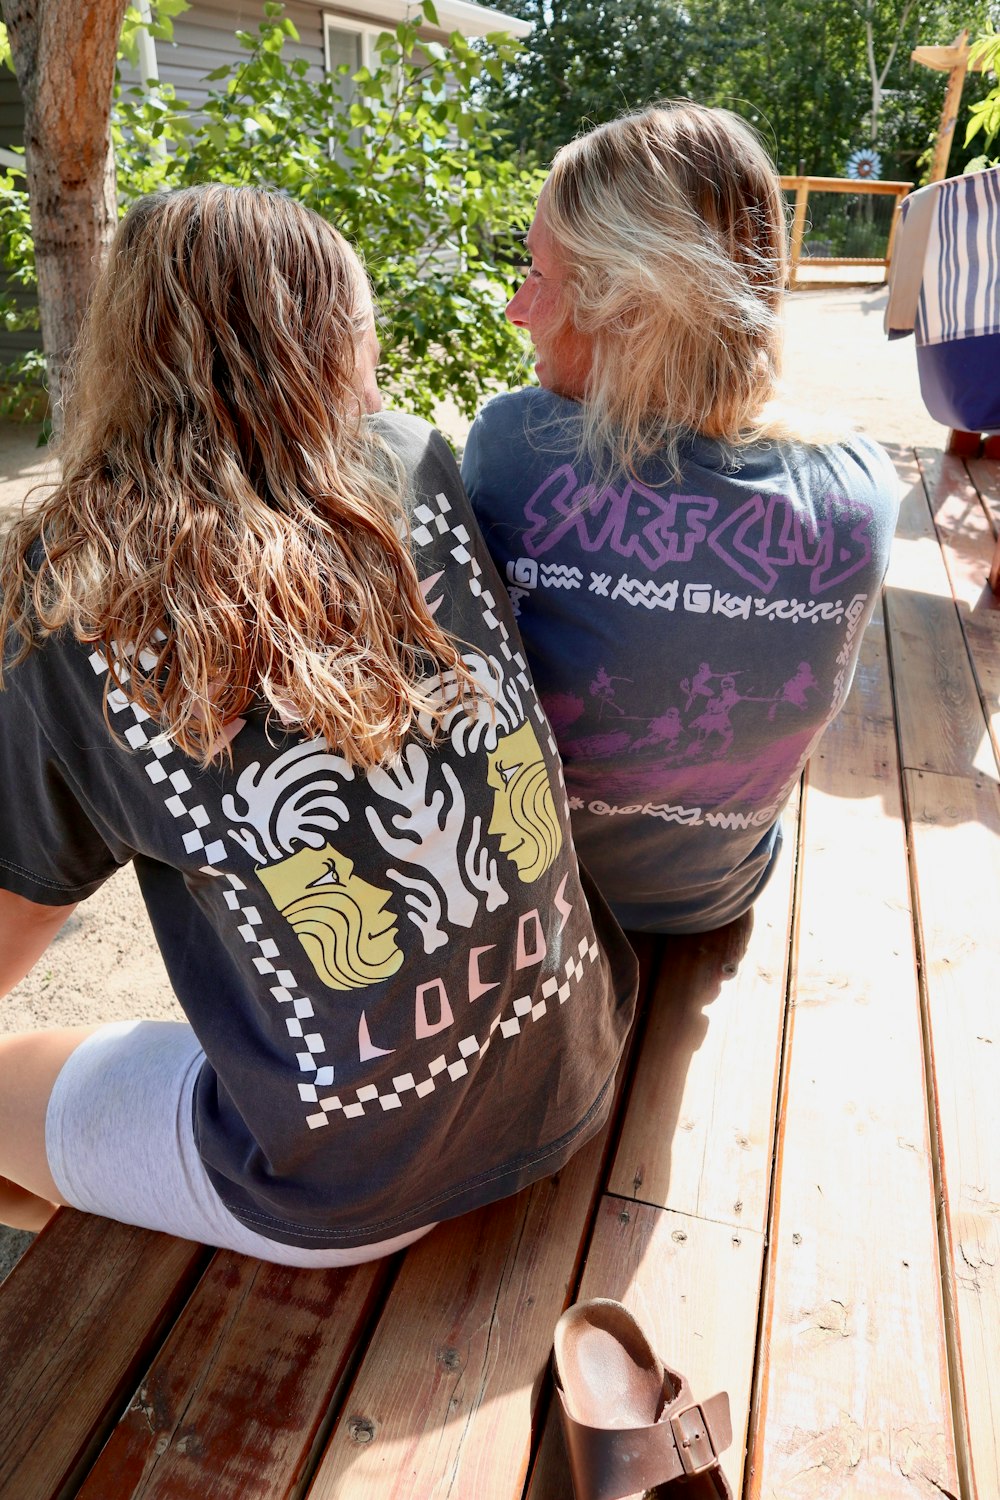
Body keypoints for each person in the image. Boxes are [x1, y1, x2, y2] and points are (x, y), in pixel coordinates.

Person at [0, 185, 638, 1265]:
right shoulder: (414, 461)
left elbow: (17, 916)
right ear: (336, 341)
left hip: (348, 1185)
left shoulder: (77, 587)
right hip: (571, 1058)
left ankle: (108, 1266)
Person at [462, 102, 900, 934]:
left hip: (535, 903)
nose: (519, 308)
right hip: (713, 898)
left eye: (540, 276)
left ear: (630, 305)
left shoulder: (512, 446)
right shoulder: (862, 486)